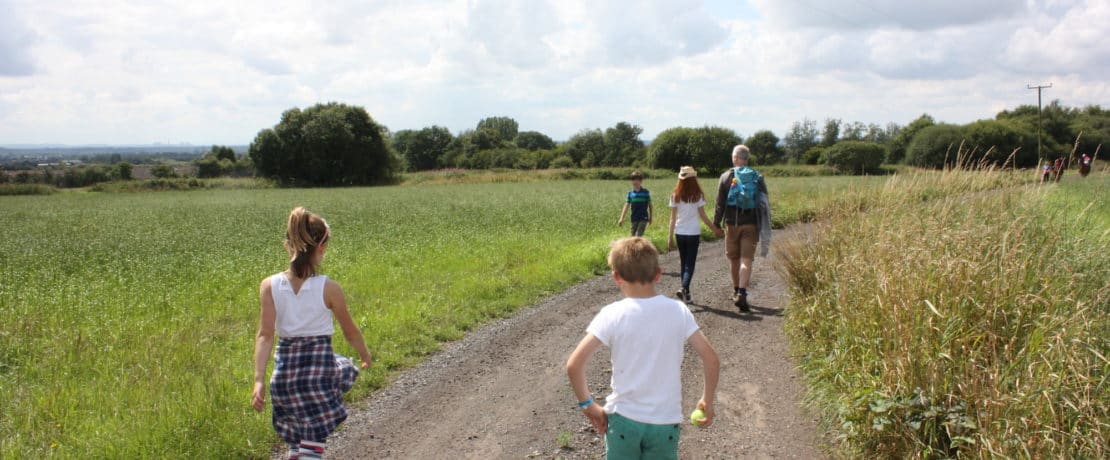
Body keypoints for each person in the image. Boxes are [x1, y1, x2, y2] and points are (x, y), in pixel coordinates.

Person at [566, 237, 720, 460]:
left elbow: (574, 364)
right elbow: (711, 359)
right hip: (665, 423)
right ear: (659, 274)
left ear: (616, 277)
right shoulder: (678, 311)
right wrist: (707, 399)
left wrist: (588, 405)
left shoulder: (611, 314)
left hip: (623, 421)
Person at [252, 207, 374, 459]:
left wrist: (259, 379)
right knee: (344, 369)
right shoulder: (329, 288)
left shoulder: (269, 286)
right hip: (317, 379)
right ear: (322, 248)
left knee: (298, 444)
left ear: (287, 245)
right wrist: (364, 354)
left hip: (284, 380)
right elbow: (350, 331)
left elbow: (265, 336)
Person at [713, 145, 771, 312]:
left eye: (733, 156)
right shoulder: (757, 177)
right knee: (746, 260)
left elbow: (720, 204)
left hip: (731, 224)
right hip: (751, 224)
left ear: (736, 158)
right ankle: (742, 293)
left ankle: (735, 289)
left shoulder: (725, 177)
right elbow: (764, 202)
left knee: (734, 260)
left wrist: (716, 223)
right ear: (747, 158)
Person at [667, 166, 723, 303]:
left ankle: (686, 294)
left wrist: (669, 237)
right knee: (689, 264)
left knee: (683, 263)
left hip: (679, 233)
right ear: (694, 179)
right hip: (693, 233)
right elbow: (703, 216)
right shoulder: (698, 195)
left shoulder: (675, 195)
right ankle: (684, 288)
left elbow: (672, 218)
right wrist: (715, 230)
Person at [616, 171, 652, 237]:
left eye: (637, 180)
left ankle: (640, 247)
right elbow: (626, 206)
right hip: (634, 218)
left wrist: (651, 217)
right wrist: (621, 218)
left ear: (641, 181)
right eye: (633, 179)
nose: (635, 181)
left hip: (643, 218)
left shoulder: (645, 192)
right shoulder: (630, 194)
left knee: (638, 235)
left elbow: (650, 205)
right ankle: (639, 247)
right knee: (632, 235)